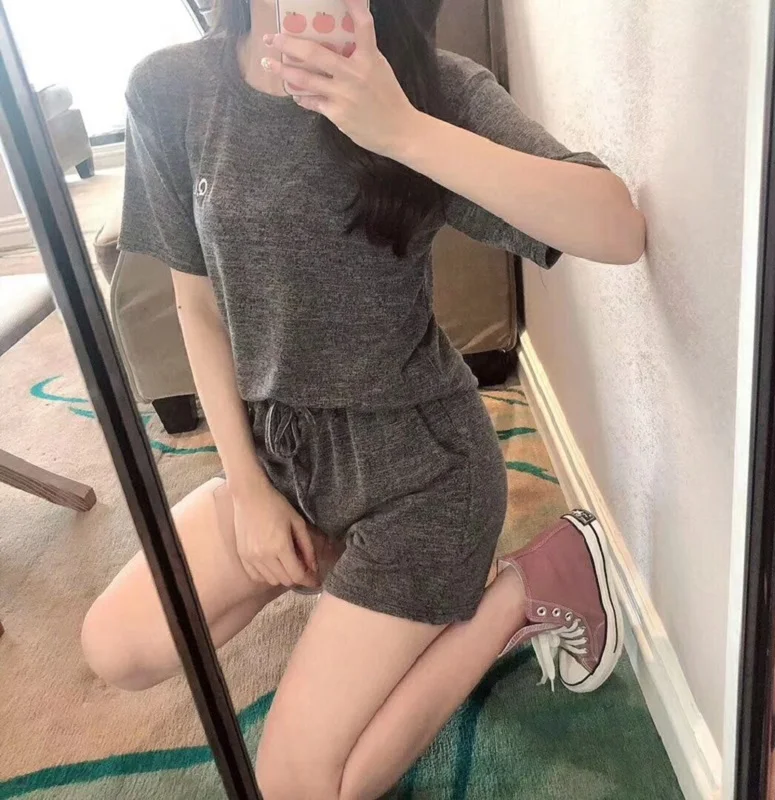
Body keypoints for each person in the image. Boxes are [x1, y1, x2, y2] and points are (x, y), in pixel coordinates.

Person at [80, 0, 646, 796]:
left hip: (421, 474)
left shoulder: (425, 86)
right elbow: (196, 306)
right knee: (117, 647)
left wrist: (400, 128)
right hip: (279, 458)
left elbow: (617, 230)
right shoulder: (172, 87)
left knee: (301, 789)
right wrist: (248, 490)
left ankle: (530, 586)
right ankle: (347, 577)